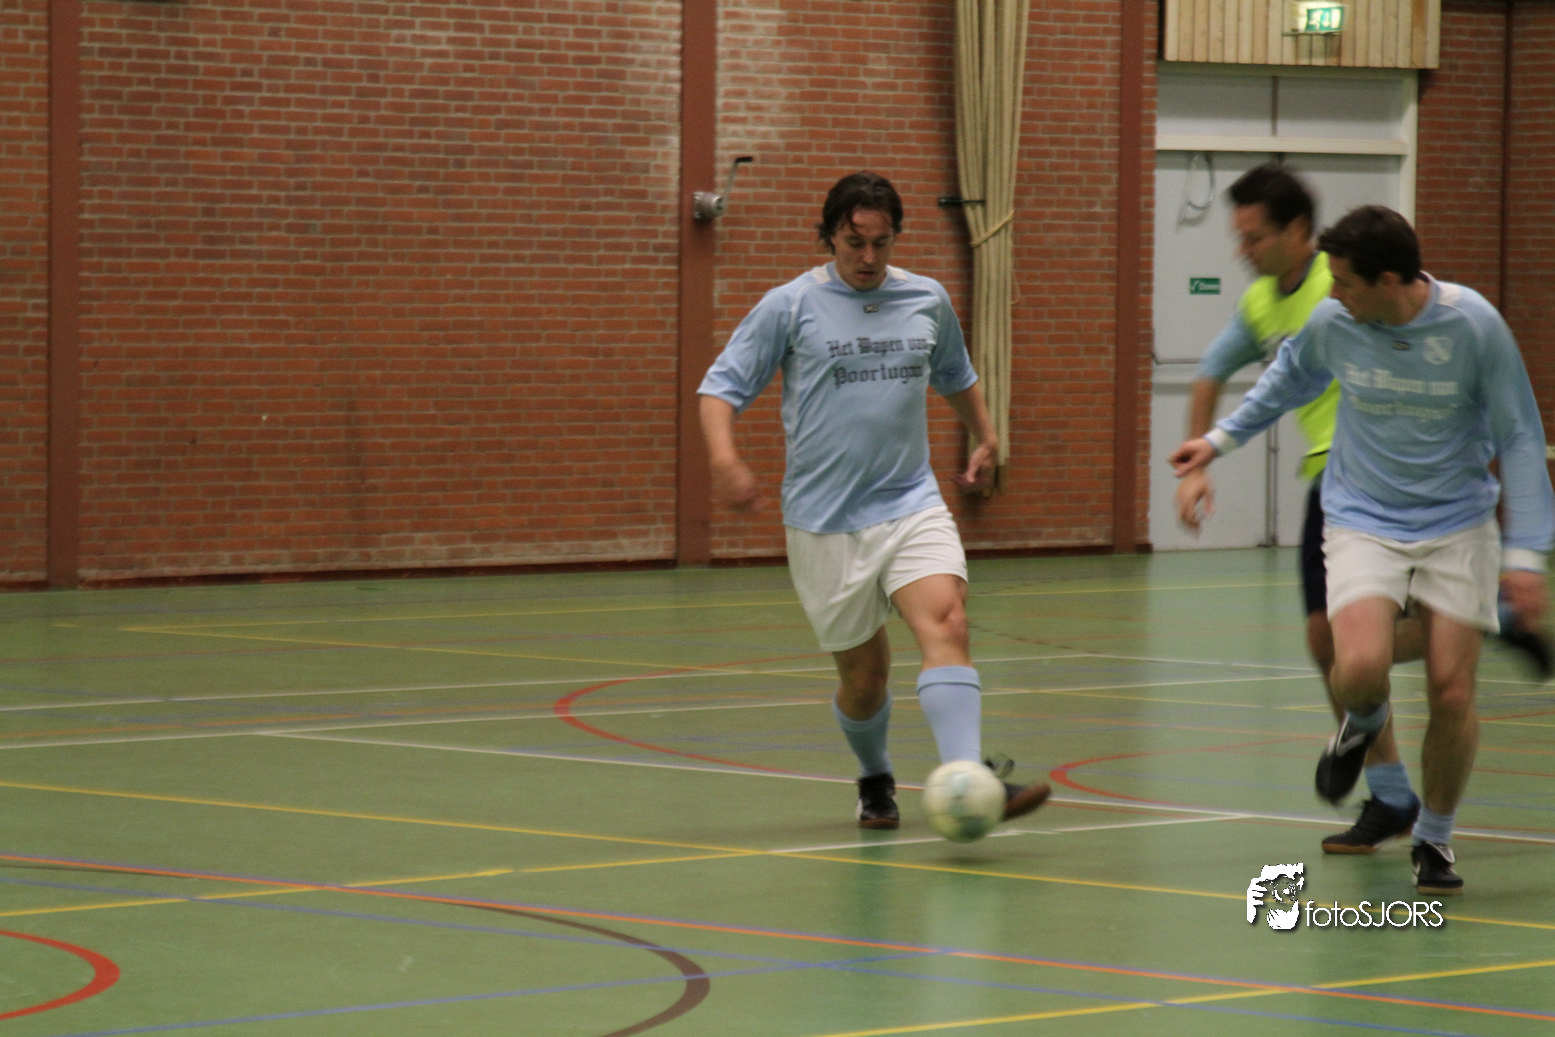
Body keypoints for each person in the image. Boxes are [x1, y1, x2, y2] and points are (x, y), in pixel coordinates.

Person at [1172, 205, 1555, 895]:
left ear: (1388, 281)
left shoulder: (1472, 326)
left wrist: (1525, 556)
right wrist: (1216, 442)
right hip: (1361, 517)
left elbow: (1520, 436)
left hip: (1457, 524)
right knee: (1357, 666)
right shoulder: (1334, 322)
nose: (1331, 293)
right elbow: (1286, 380)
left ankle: (1433, 838)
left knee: (1451, 688)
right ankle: (1364, 721)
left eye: (1344, 281)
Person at [697, 171, 1050, 831]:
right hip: (825, 522)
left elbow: (955, 373)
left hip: (910, 500)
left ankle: (970, 778)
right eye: (853, 242)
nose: (867, 257)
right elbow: (720, 388)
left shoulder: (925, 298)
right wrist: (724, 458)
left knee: (947, 621)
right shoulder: (789, 306)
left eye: (880, 243)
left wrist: (985, 433)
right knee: (865, 680)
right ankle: (874, 775)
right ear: (828, 236)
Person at [1176, 164, 1430, 857]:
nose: (1243, 251)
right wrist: (1197, 465)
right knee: (1326, 643)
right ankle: (1391, 792)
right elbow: (1208, 373)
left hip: (1386, 474)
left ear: (1296, 231)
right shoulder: (1261, 303)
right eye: (1238, 238)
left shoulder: (1344, 284)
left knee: (1348, 642)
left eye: (1255, 237)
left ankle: (1469, 624)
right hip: (1330, 480)